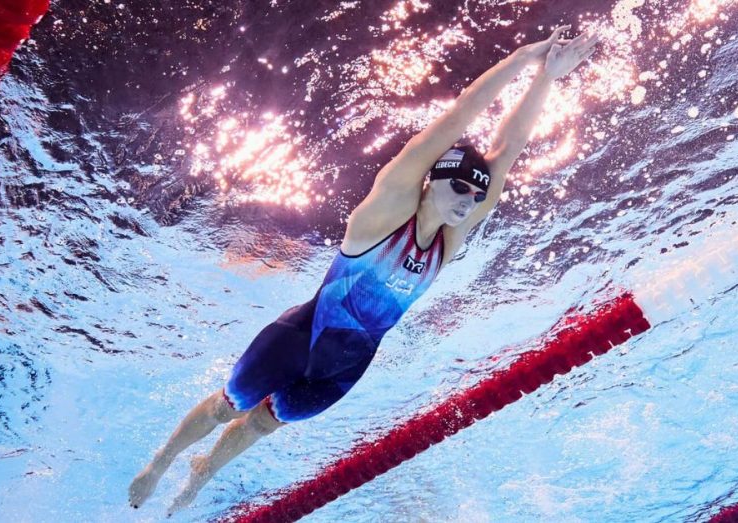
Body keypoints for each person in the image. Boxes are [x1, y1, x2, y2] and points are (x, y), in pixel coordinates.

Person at [128, 24, 601, 514]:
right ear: (432, 181)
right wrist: (526, 58)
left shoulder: (447, 241)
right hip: (299, 338)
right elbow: (456, 119)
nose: (470, 202)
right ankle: (161, 462)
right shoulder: (385, 212)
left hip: (346, 368)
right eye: (461, 189)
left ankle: (202, 474)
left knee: (263, 425)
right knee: (230, 405)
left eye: (477, 196)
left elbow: (507, 154)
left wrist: (549, 79)